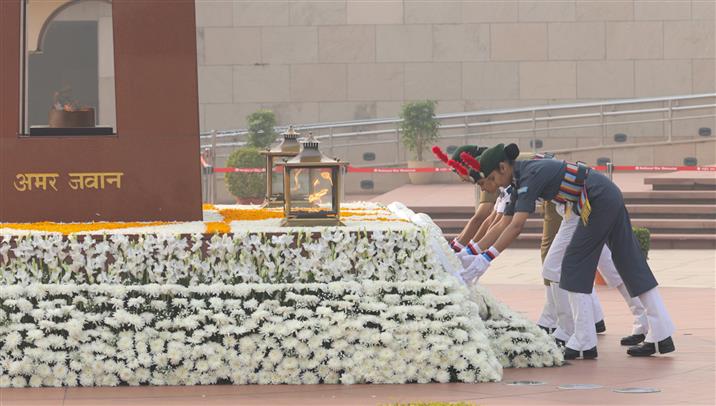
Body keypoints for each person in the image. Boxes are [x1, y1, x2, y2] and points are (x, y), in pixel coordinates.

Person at [461, 143, 675, 359]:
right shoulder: (520, 178)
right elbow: (506, 223)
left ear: (503, 168)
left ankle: (584, 340)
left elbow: (517, 226)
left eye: (490, 180)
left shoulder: (529, 175)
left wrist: (486, 259)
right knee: (627, 263)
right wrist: (475, 253)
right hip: (599, 196)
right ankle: (660, 334)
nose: (489, 186)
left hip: (596, 199)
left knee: (573, 265)